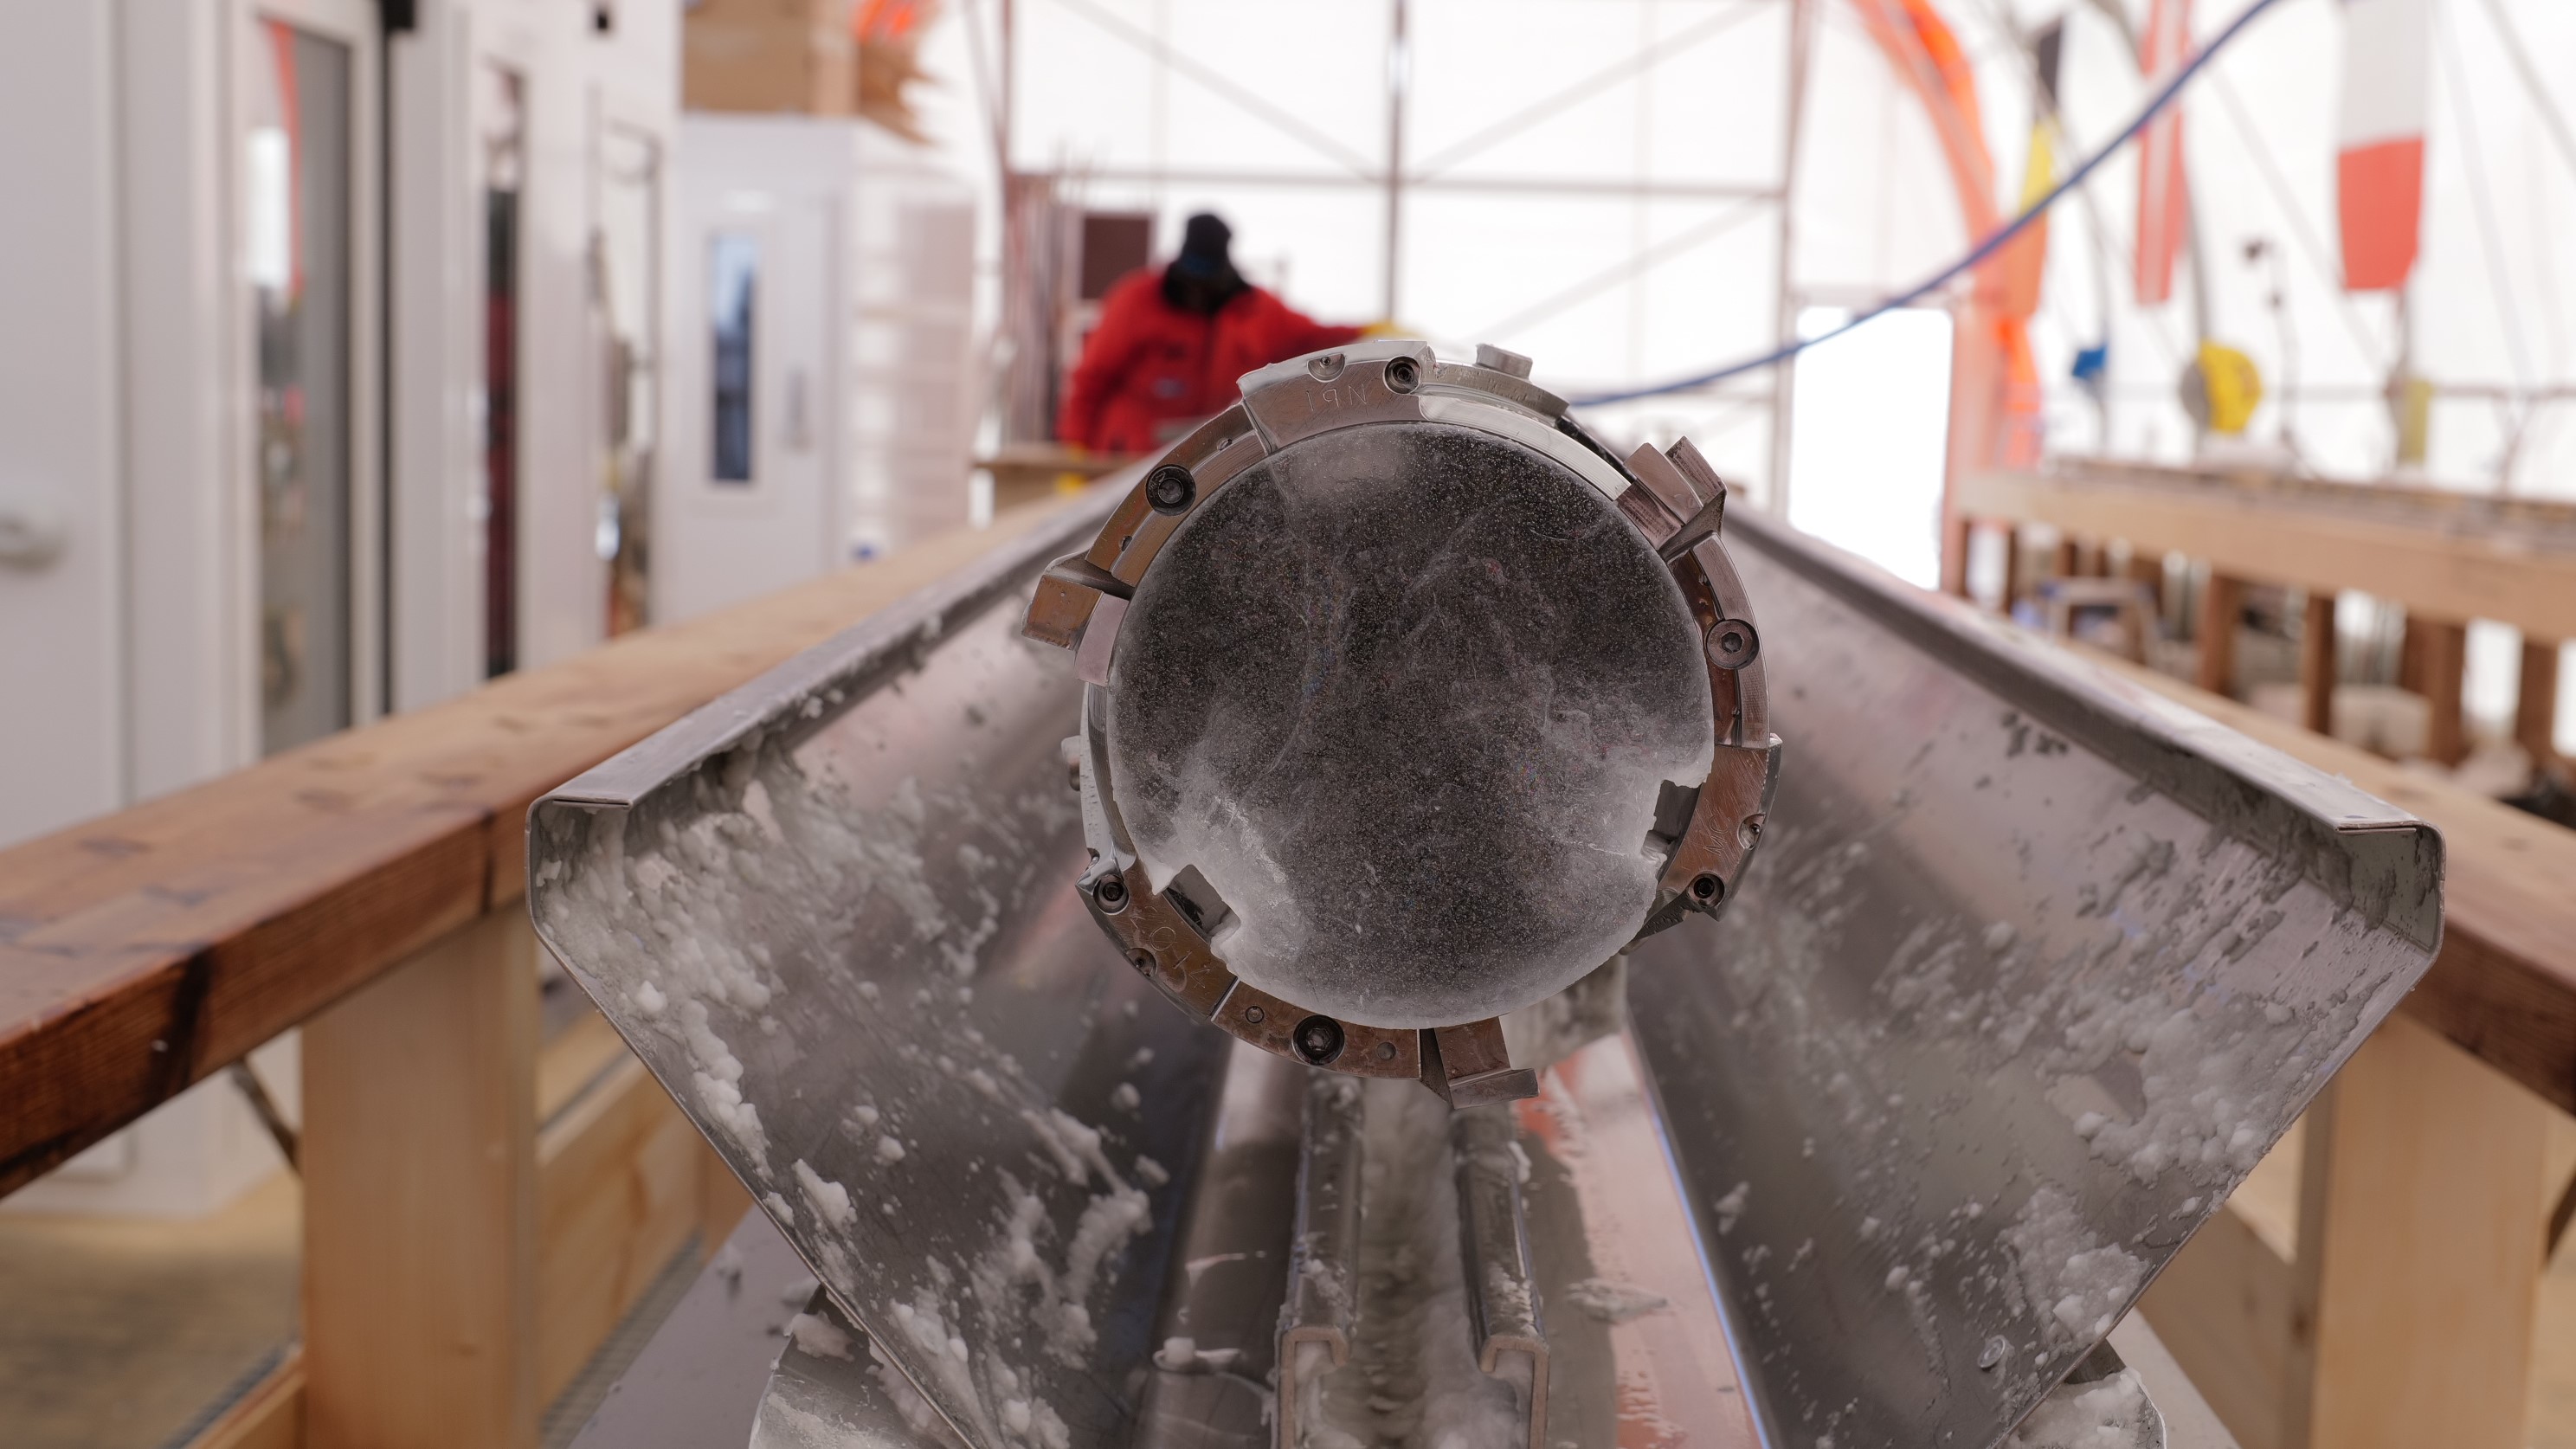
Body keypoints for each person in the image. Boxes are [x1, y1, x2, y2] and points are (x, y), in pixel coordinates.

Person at [1057, 213, 1365, 456]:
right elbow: (1092, 378)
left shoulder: (1255, 310)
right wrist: (1075, 446)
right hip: (1127, 462)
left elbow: (1312, 338)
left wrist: (1366, 332)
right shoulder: (1137, 301)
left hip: (1209, 460)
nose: (1198, 286)